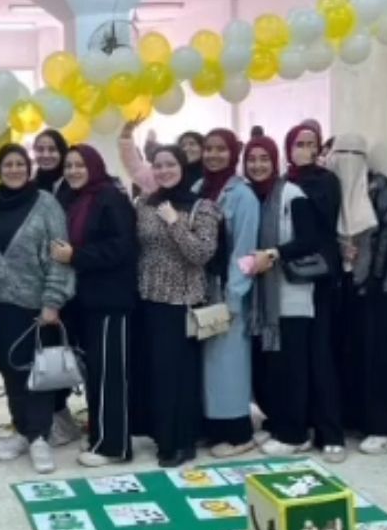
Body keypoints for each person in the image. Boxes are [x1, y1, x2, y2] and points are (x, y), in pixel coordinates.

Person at [0, 144, 75, 474]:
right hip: (0, 305)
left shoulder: (46, 204)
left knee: (38, 373)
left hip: (38, 306)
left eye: (20, 163)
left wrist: (53, 301)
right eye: (8, 164)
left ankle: (40, 438)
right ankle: (22, 430)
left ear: (28, 167)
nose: (14, 169)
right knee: (11, 371)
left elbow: (60, 258)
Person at [51, 144, 137, 467]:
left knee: (109, 375)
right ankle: (100, 435)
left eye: (80, 165)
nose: (73, 171)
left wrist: (76, 255)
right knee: (96, 373)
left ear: (94, 166)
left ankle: (113, 446)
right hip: (86, 301)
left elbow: (122, 248)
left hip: (111, 301)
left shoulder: (110, 198)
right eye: (69, 166)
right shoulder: (72, 199)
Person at [134, 145, 219, 468]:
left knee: (180, 375)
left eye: (170, 164)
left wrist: (175, 223)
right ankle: (162, 435)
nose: (164, 171)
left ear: (183, 167)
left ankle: (182, 441)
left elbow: (202, 254)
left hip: (182, 302)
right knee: (156, 373)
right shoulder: (144, 204)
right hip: (148, 300)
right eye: (158, 165)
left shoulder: (202, 206)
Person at [327, 134, 387, 455]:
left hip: (383, 288)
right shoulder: (332, 188)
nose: (345, 161)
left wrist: (374, 277)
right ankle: (361, 419)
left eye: (353, 154)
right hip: (351, 286)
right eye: (340, 153)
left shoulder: (379, 187)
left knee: (382, 358)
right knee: (356, 354)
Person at [242, 137, 322, 458]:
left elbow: (309, 240)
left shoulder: (291, 194)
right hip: (263, 301)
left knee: (291, 369)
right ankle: (277, 423)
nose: (257, 165)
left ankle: (295, 434)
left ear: (275, 161)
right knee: (272, 369)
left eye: (264, 158)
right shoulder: (253, 197)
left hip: (291, 297)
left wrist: (273, 253)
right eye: (252, 159)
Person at [283, 124, 346, 462]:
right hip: (289, 280)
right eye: (298, 143)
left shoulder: (324, 180)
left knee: (321, 355)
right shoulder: (284, 181)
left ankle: (331, 433)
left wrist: (303, 180)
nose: (304, 149)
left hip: (319, 277)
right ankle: (299, 426)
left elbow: (324, 218)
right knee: (296, 357)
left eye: (311, 143)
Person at [197, 130, 260, 458]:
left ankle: (239, 433)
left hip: (228, 290)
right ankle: (214, 428)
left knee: (228, 363)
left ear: (233, 153)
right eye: (208, 149)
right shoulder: (200, 188)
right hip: (202, 289)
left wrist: (234, 296)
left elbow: (245, 249)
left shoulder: (242, 195)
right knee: (208, 365)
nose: (213, 155)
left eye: (221, 149)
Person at [31, 129, 83, 446]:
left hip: (71, 281)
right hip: (38, 284)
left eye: (52, 148)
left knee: (65, 350)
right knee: (44, 351)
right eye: (40, 148)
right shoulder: (31, 184)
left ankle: (63, 416)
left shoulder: (74, 185)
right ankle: (47, 417)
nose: (46, 154)